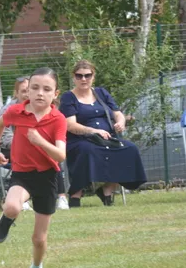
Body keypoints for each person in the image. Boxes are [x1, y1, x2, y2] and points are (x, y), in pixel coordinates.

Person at [0, 68, 66, 268]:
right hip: (22, 174)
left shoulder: (58, 119)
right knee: (12, 207)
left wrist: (40, 142)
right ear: (27, 91)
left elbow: (60, 155)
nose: (40, 93)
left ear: (55, 94)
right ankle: (6, 220)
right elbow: (0, 124)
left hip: (47, 178)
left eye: (47, 89)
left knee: (39, 239)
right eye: (35, 88)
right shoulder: (16, 111)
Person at [59, 59, 146, 207]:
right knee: (87, 150)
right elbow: (70, 125)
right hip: (81, 139)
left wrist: (121, 122)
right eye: (79, 76)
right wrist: (94, 131)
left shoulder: (101, 93)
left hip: (107, 137)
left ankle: (107, 191)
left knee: (129, 148)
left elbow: (117, 113)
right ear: (74, 77)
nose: (83, 79)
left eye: (87, 75)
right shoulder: (68, 97)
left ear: (93, 76)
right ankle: (75, 195)